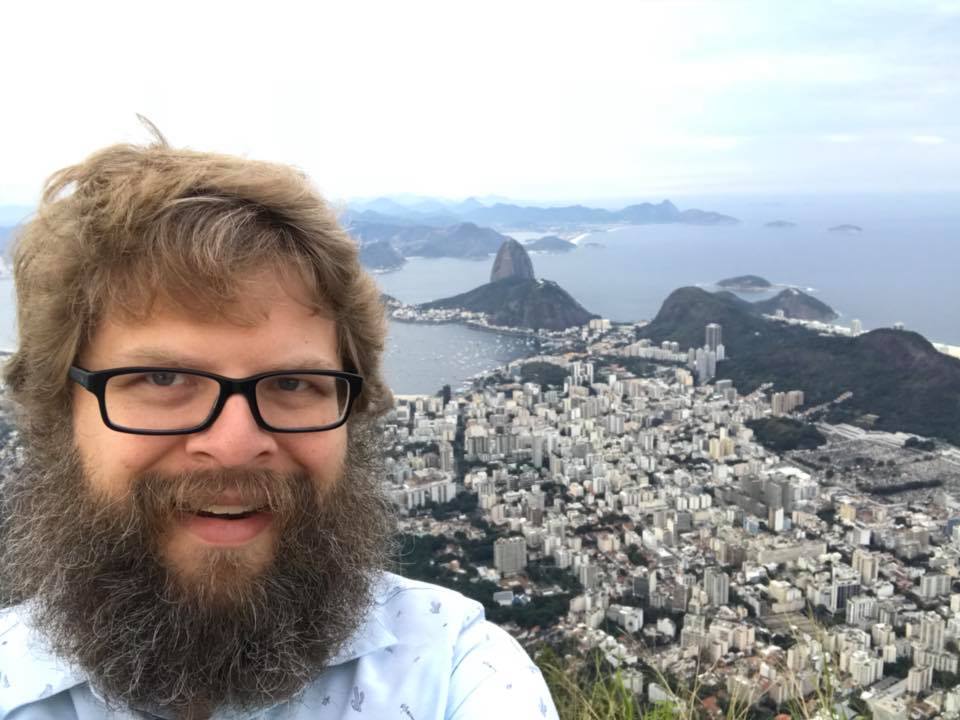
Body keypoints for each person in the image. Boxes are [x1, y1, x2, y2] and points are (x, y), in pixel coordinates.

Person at [0, 128, 560, 720]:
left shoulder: (454, 669)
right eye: (163, 379)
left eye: (293, 384)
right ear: (61, 411)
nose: (235, 444)